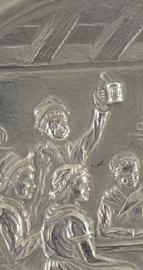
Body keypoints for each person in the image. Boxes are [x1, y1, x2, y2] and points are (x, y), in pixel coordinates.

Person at [41, 164, 143, 270]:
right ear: (69, 189)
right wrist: (122, 264)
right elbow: (90, 259)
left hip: (50, 268)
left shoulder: (51, 213)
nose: (88, 189)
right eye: (83, 186)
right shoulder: (76, 218)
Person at [31, 83, 120, 220]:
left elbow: (93, 135)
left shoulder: (74, 150)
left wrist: (101, 111)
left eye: (63, 123)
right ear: (44, 131)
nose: (60, 128)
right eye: (53, 125)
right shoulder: (40, 151)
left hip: (73, 205)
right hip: (48, 207)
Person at [97, 151, 143, 239]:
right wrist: (133, 233)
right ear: (117, 176)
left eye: (135, 174)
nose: (132, 178)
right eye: (126, 175)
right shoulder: (109, 196)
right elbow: (103, 230)